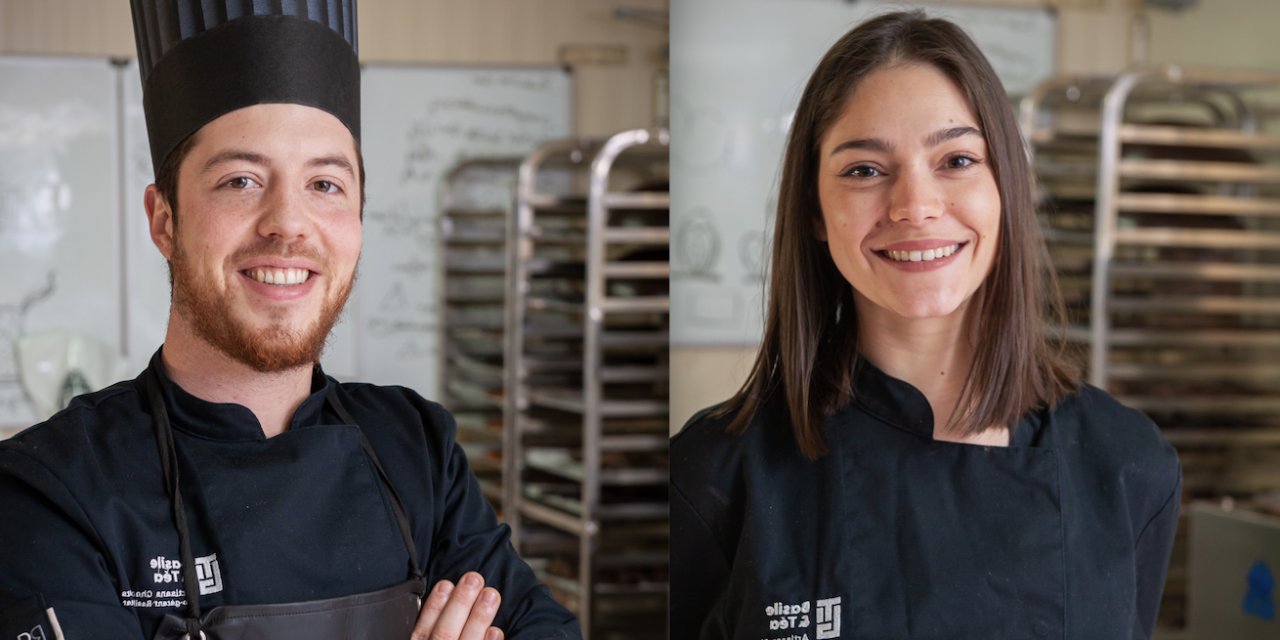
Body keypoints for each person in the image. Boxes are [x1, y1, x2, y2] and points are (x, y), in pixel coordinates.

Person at [0, 2, 579, 639]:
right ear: (165, 220)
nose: (289, 222)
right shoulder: (49, 492)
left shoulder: (416, 449)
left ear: (359, 219)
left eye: (326, 185)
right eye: (241, 180)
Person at [670, 11, 1181, 640]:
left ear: (1006, 190)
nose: (915, 205)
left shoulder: (1127, 465)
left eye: (957, 159)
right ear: (814, 213)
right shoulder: (714, 474)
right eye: (864, 169)